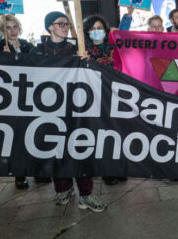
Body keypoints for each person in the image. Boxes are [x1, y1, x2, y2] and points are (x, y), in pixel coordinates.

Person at [32, 11, 106, 212]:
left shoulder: (78, 49)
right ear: (50, 27)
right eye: (60, 23)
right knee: (57, 149)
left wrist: (86, 61)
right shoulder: (37, 51)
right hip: (50, 110)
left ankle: (86, 194)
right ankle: (63, 188)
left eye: (67, 23)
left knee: (81, 148)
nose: (65, 26)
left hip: (78, 109)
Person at [83, 14, 128, 186]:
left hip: (115, 94)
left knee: (117, 131)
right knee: (101, 133)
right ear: (88, 31)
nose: (97, 31)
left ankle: (118, 168)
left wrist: (128, 16)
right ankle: (106, 171)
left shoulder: (113, 46)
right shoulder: (84, 49)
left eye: (100, 28)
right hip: (94, 96)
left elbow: (125, 34)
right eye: (93, 29)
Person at [0, 14, 34, 190]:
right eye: (8, 28)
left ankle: (39, 171)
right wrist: (5, 59)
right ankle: (20, 175)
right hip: (12, 101)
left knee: (34, 134)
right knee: (18, 138)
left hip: (32, 96)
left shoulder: (28, 46)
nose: (12, 31)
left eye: (15, 27)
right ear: (2, 30)